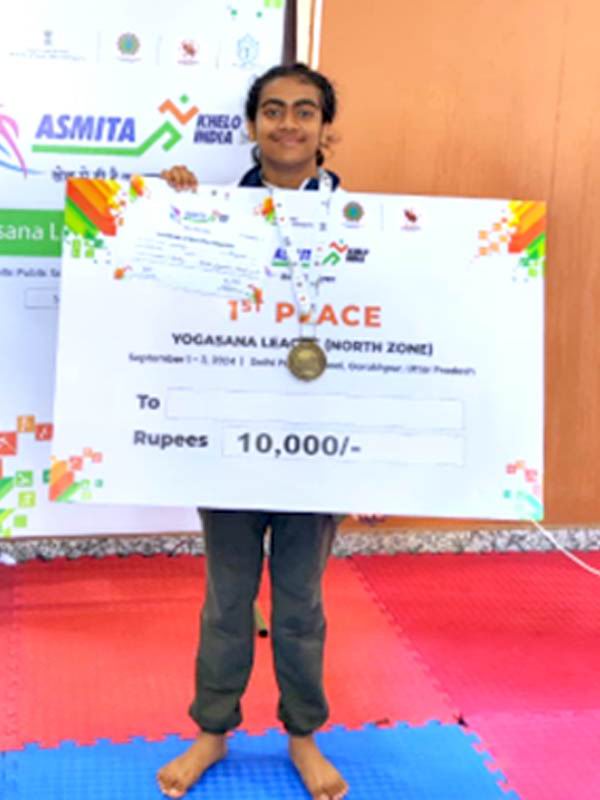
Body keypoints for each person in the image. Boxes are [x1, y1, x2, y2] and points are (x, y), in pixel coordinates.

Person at [157, 63, 381, 800]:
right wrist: (172, 214)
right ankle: (212, 729)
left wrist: (378, 462)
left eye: (305, 111)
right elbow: (173, 301)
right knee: (227, 600)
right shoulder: (214, 213)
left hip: (316, 446)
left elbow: (390, 345)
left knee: (300, 603)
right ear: (253, 126)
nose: (289, 123)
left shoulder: (370, 226)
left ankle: (303, 734)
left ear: (324, 127)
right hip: (232, 440)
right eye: (274, 110)